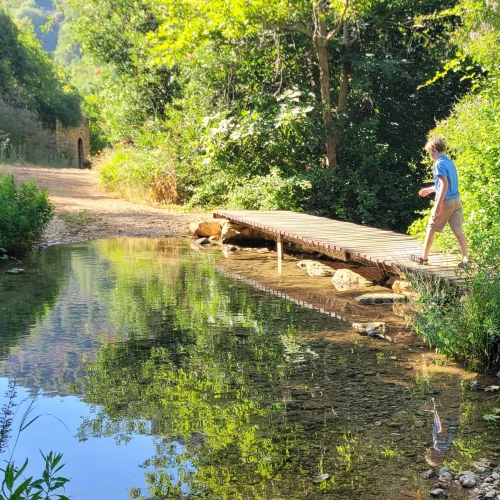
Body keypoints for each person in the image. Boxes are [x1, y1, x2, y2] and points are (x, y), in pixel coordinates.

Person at [411, 137, 469, 267]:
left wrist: (438, 205)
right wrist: (431, 189)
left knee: (431, 228)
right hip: (456, 201)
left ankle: (423, 258)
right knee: (458, 231)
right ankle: (466, 259)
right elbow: (447, 184)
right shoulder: (449, 162)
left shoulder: (439, 164)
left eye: (430, 152)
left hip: (446, 202)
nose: (430, 155)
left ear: (434, 150)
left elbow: (444, 186)